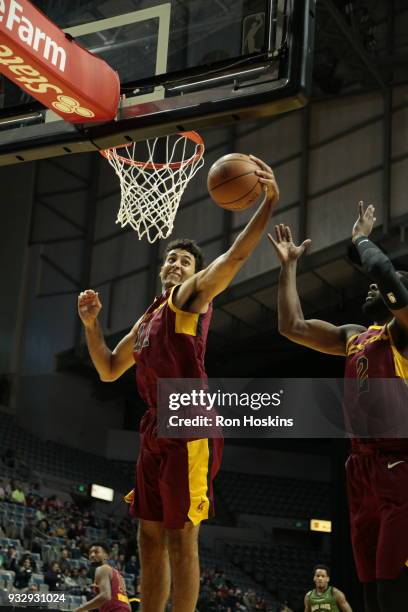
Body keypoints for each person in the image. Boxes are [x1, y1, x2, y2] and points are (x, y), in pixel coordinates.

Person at [78, 156, 279, 612]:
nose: (175, 263)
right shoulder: (149, 318)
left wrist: (266, 204)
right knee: (148, 532)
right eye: (171, 257)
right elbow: (110, 368)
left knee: (181, 534)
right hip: (154, 426)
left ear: (193, 273)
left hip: (188, 419)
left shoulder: (188, 300)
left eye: (185, 260)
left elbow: (236, 258)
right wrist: (92, 325)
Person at [269, 202, 408, 612]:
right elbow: (291, 326)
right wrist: (289, 266)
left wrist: (360, 239)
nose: (368, 288)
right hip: (360, 471)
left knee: (390, 580)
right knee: (367, 580)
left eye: (380, 288)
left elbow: (383, 274)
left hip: (400, 467)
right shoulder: (355, 336)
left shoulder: (404, 333)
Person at [74, 543, 130, 612]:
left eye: (96, 552)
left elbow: (105, 596)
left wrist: (81, 608)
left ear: (106, 556)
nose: (92, 555)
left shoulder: (102, 569)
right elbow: (127, 604)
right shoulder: (119, 575)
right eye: (90, 553)